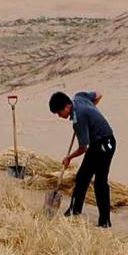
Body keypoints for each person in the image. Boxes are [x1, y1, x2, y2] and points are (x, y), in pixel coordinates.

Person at [49, 88, 116, 228]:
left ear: (67, 106)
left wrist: (69, 158)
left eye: (59, 112)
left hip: (105, 144)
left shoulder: (78, 120)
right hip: (96, 143)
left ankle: (105, 221)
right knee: (82, 177)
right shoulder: (79, 97)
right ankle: (74, 211)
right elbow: (98, 94)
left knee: (100, 182)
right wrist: (91, 111)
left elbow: (83, 147)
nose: (59, 116)